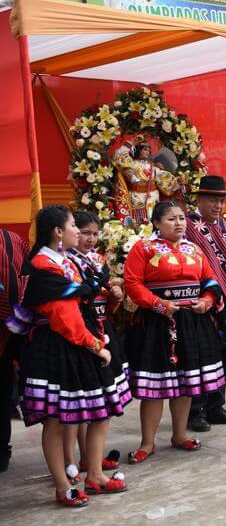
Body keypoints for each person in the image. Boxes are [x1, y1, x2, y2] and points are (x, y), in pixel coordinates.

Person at [17, 205, 131, 506]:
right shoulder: (43, 265)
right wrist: (96, 346)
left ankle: (94, 473)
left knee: (99, 410)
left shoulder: (69, 260)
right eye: (73, 226)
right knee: (55, 419)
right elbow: (64, 316)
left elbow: (87, 300)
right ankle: (61, 483)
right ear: (58, 232)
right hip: (59, 346)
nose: (78, 233)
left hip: (81, 341)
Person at [124, 201, 226, 464]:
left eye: (182, 218)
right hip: (157, 323)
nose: (179, 223)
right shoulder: (143, 248)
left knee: (185, 382)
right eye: (171, 219)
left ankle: (179, 435)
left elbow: (210, 280)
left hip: (191, 321)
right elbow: (132, 283)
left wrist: (206, 301)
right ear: (157, 223)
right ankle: (148, 442)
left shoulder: (194, 249)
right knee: (157, 385)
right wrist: (158, 305)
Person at [63, 210, 127, 481]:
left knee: (98, 402)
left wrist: (115, 296)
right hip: (82, 334)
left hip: (103, 329)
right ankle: (70, 463)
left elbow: (108, 306)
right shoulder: (64, 262)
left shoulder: (99, 260)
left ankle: (91, 458)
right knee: (76, 406)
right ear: (72, 232)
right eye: (85, 233)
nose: (90, 239)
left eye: (95, 234)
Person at [184, 176, 226, 431]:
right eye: (213, 200)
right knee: (202, 357)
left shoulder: (224, 226)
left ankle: (216, 406)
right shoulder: (190, 226)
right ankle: (195, 411)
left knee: (224, 352)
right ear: (199, 200)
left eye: (221, 201)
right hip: (203, 301)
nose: (218, 205)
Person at [0, 230, 28, 473]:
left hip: (11, 332)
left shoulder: (12, 240)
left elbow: (27, 277)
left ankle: (1, 451)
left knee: (2, 392)